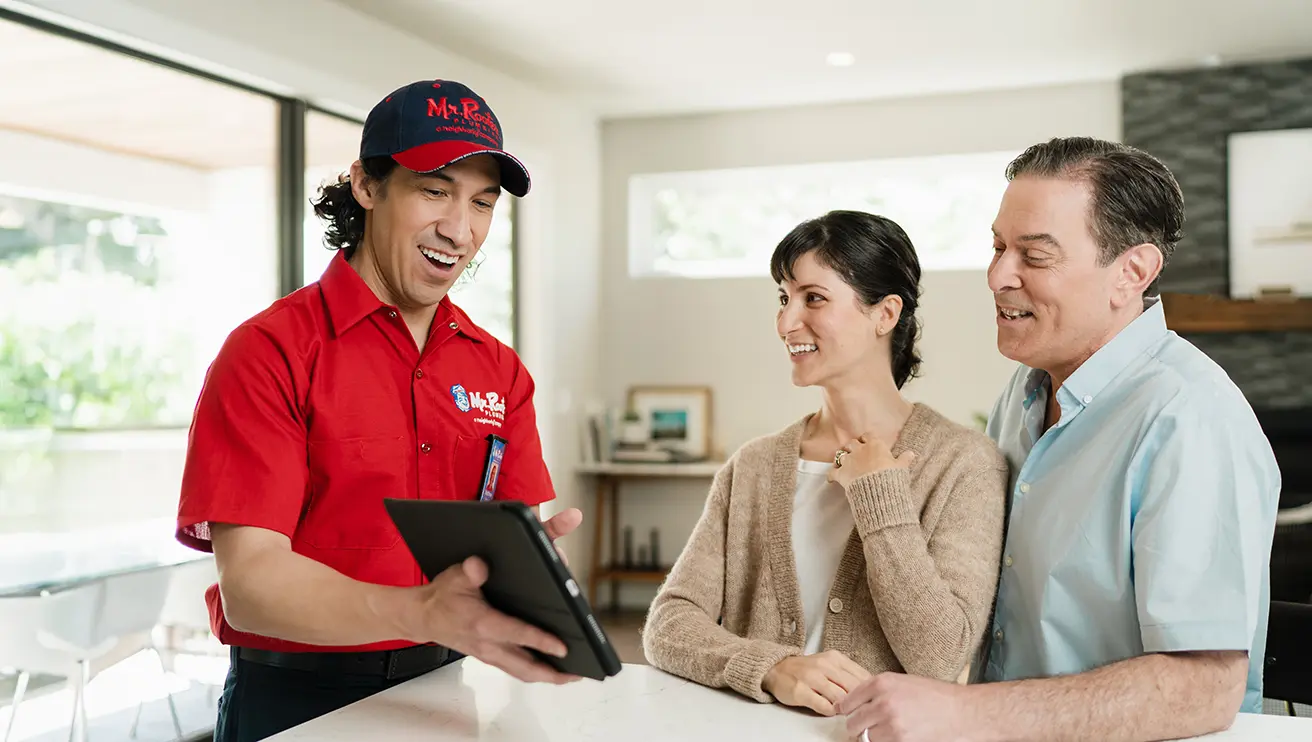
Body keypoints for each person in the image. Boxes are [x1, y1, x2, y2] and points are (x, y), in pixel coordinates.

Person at [175, 79, 583, 742]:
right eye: (435, 191)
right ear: (367, 185)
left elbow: (505, 557)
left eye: (482, 202)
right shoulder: (269, 351)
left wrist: (529, 588)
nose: (460, 229)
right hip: (296, 702)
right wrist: (421, 610)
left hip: (447, 688)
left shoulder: (500, 371)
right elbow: (250, 584)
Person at [837, 137, 1281, 742]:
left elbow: (1202, 689)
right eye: (998, 247)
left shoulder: (1190, 418)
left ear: (1132, 273)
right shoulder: (1022, 394)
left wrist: (966, 713)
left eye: (1035, 256)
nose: (998, 276)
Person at [641, 210, 1009, 717]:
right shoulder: (753, 466)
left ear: (885, 314)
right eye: (784, 298)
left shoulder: (964, 464)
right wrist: (772, 667)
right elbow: (669, 623)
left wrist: (880, 497)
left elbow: (940, 658)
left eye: (813, 298)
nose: (786, 322)